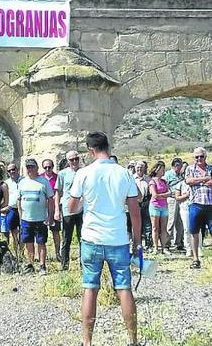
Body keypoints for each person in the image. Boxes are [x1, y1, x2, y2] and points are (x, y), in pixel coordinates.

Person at [67, 132, 140, 346]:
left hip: (91, 237)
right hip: (117, 238)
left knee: (90, 288)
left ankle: (87, 341)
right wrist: (136, 240)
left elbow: (71, 208)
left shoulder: (84, 173)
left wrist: (83, 205)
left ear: (90, 150)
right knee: (124, 288)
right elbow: (134, 211)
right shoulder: (123, 173)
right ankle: (132, 340)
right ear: (108, 146)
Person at [185, 147, 212, 269]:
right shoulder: (190, 168)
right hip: (195, 203)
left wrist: (198, 181)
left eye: (201, 156)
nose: (199, 159)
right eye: (196, 157)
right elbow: (188, 181)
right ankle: (195, 259)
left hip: (211, 204)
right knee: (194, 232)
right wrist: (205, 179)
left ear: (205, 157)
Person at [18, 159, 54, 274]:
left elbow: (50, 199)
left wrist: (50, 215)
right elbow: (19, 199)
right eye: (28, 167)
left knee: (41, 242)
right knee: (28, 242)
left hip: (40, 218)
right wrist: (20, 215)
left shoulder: (43, 182)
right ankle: (31, 264)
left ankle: (42, 265)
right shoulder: (22, 182)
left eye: (32, 167)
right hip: (26, 218)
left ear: (37, 168)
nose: (30, 169)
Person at [56, 150, 83, 271]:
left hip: (82, 209)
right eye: (72, 160)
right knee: (66, 239)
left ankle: (84, 265)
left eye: (76, 159)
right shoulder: (62, 174)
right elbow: (58, 192)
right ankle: (64, 266)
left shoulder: (84, 172)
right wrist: (57, 209)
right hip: (68, 209)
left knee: (83, 238)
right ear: (68, 161)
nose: (74, 161)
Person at [41, 159, 62, 263]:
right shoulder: (40, 178)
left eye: (49, 167)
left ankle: (58, 253)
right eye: (45, 167)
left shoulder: (57, 177)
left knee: (55, 232)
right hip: (42, 209)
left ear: (53, 167)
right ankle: (40, 255)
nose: (47, 169)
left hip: (54, 208)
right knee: (41, 232)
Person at [147, 162, 171, 254]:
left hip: (164, 206)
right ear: (157, 170)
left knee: (164, 228)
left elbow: (169, 193)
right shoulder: (152, 181)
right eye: (162, 169)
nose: (164, 171)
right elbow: (155, 195)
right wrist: (165, 195)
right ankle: (155, 247)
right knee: (155, 228)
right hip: (155, 206)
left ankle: (164, 247)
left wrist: (162, 195)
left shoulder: (164, 181)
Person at [164, 158, 186, 252]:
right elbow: (163, 185)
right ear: (175, 165)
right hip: (172, 199)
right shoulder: (168, 175)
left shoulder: (181, 175)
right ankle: (166, 244)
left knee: (180, 222)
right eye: (179, 165)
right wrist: (169, 192)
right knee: (171, 221)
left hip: (180, 199)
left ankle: (179, 243)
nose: (180, 167)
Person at [1, 162, 21, 257]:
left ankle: (21, 252)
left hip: (23, 209)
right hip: (11, 209)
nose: (12, 172)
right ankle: (16, 253)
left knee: (23, 232)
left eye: (13, 169)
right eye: (9, 170)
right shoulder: (6, 183)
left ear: (17, 169)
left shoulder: (24, 180)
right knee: (13, 233)